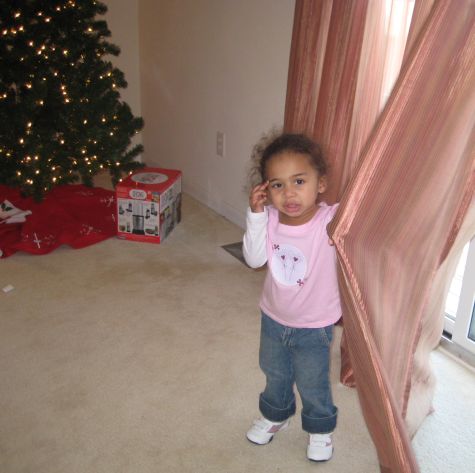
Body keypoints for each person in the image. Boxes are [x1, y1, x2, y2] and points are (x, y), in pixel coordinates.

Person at [243, 133, 341, 462]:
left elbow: (366, 213)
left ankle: (319, 428)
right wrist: (256, 215)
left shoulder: (330, 221)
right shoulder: (268, 219)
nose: (289, 193)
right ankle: (276, 415)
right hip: (273, 317)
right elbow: (254, 260)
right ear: (265, 190)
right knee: (275, 372)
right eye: (277, 185)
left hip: (314, 324)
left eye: (299, 181)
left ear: (320, 183)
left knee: (312, 380)